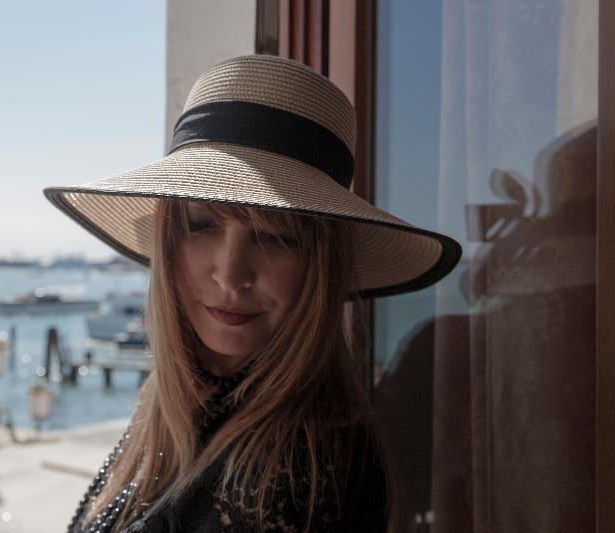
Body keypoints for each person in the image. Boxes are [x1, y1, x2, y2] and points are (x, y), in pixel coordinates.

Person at [44, 55, 462, 532]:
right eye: (201, 225)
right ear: (169, 238)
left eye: (274, 236)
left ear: (320, 265)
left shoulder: (296, 477)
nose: (230, 275)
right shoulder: (178, 405)